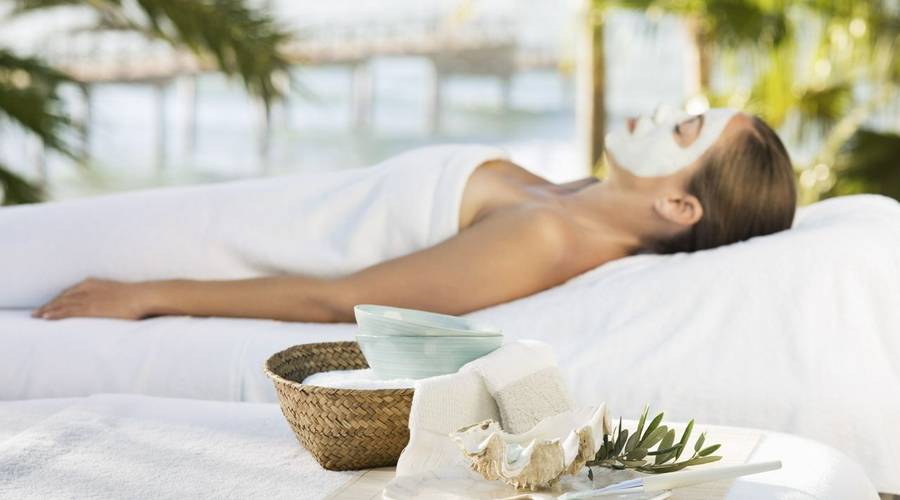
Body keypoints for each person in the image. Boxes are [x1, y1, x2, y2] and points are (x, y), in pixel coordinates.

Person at [30, 107, 796, 323]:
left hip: (205, 249)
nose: (667, 110)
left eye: (688, 129)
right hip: (219, 213)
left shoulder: (547, 236)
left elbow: (343, 299)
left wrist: (147, 294)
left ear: (677, 204)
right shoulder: (566, 196)